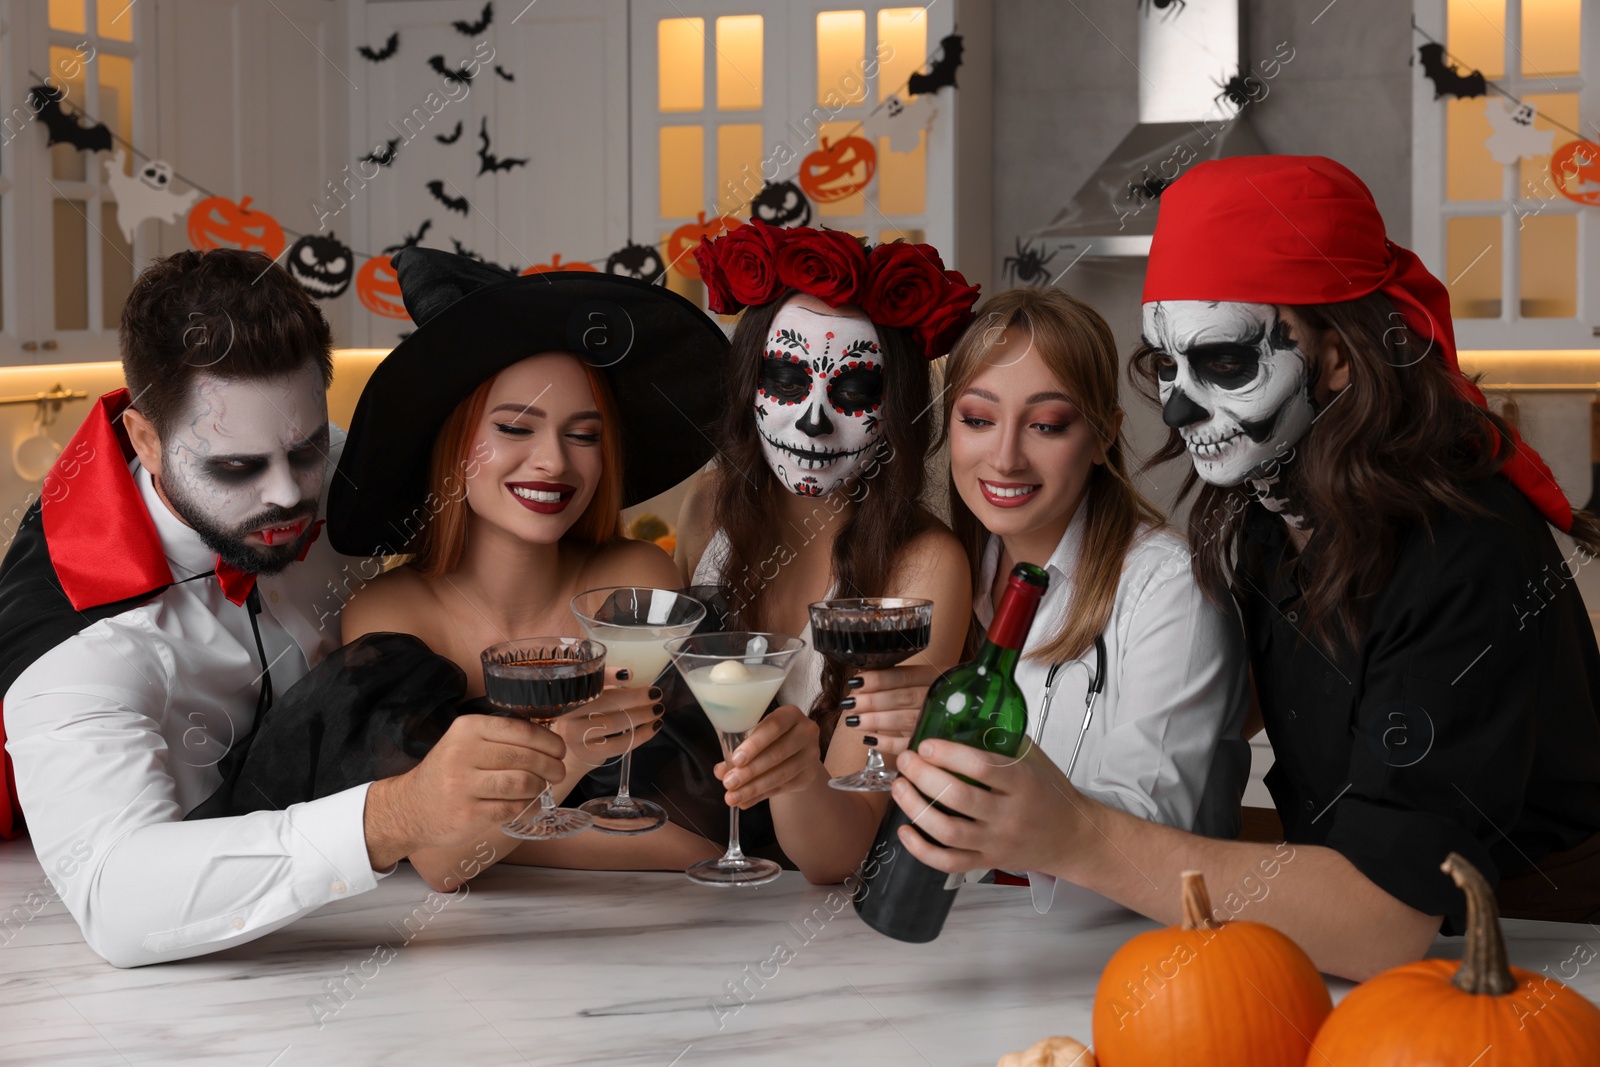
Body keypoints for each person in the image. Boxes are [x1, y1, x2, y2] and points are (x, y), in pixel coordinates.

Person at [889, 155, 1600, 981]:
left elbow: (1383, 916)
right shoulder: (1272, 508)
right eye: (1166, 365)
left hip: (1535, 951)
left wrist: (1074, 832)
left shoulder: (1462, 548)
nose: (1184, 407)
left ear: (1338, 358)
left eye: (1224, 360)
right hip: (1337, 950)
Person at [0, 250, 567, 967]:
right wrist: (395, 815)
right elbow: (116, 899)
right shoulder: (73, 639)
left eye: (304, 450)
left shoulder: (325, 471)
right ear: (144, 440)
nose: (287, 496)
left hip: (412, 923)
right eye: (235, 467)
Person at [326, 247, 735, 887]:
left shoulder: (636, 584)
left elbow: (692, 830)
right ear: (454, 444)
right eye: (517, 427)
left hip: (641, 938)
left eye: (584, 434)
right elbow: (439, 859)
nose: (554, 461)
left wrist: (501, 834)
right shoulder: (388, 616)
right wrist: (569, 757)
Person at [677, 224, 977, 883]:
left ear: (895, 411)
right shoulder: (707, 514)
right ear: (750, 381)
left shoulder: (925, 565)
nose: (814, 420)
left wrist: (794, 769)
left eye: (853, 392)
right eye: (786, 377)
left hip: (822, 923)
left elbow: (842, 852)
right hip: (690, 896)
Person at [939, 287, 1248, 895]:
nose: (1004, 458)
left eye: (1047, 425)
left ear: (1104, 436)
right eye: (977, 419)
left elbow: (1149, 833)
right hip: (974, 946)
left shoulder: (1169, 587)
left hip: (1134, 956)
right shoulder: (944, 579)